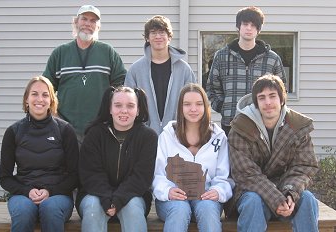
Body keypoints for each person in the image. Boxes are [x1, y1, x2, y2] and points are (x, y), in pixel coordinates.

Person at [228, 74, 319, 232]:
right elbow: (246, 174)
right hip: (252, 193)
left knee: (308, 199)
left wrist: (290, 193)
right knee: (252, 201)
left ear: (282, 99)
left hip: (286, 189)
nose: (268, 102)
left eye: (272, 96)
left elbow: (304, 166)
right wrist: (276, 198)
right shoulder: (240, 128)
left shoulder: (298, 127)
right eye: (261, 97)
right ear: (256, 102)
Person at [0, 76, 79, 232]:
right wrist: (26, 191)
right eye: (34, 94)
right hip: (23, 195)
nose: (39, 99)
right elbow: (5, 178)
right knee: (23, 211)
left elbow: (75, 176)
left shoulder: (65, 130)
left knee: (50, 208)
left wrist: (50, 191)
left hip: (58, 196)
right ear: (26, 99)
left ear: (51, 100)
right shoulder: (13, 132)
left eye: (45, 94)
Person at [152, 83, 234, 232]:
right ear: (180, 108)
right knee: (180, 210)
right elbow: (158, 175)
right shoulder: (167, 136)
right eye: (187, 104)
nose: (193, 109)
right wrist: (168, 191)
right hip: (173, 197)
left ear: (205, 107)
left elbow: (224, 177)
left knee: (208, 209)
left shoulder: (218, 137)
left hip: (205, 195)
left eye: (198, 104)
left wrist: (218, 191)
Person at [76, 86, 158, 232]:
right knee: (93, 208)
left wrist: (118, 199)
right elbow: (91, 174)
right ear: (110, 108)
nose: (124, 110)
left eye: (130, 106)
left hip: (133, 195)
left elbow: (141, 177)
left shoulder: (148, 137)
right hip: (95, 194)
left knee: (132, 208)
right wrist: (107, 199)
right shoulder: (94, 134)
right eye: (118, 105)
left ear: (138, 110)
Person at [43, 5, 127, 142]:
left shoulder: (108, 52)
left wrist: (109, 118)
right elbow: (45, 90)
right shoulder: (60, 53)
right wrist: (56, 118)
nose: (88, 24)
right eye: (84, 19)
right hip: (65, 131)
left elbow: (121, 88)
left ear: (98, 26)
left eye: (93, 21)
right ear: (76, 22)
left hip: (101, 130)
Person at [206, 6, 286, 135]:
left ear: (258, 29)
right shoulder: (221, 56)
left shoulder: (272, 59)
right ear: (238, 26)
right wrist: (223, 107)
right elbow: (212, 88)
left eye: (253, 25)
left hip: (263, 124)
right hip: (231, 123)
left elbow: (282, 90)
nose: (249, 28)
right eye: (245, 24)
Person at [125, 15, 196, 134]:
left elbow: (193, 103)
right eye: (153, 32)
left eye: (162, 32)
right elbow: (127, 104)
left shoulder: (184, 70)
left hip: (178, 134)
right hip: (143, 135)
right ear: (147, 38)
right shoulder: (135, 70)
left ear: (169, 37)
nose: (158, 36)